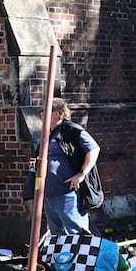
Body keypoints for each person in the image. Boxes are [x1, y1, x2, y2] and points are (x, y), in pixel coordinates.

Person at [23, 97, 100, 238]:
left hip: (66, 193)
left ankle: (80, 259)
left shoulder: (70, 129)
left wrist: (81, 174)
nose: (41, 114)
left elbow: (94, 149)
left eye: (44, 110)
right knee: (57, 234)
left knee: (76, 232)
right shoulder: (48, 134)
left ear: (56, 113)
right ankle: (62, 260)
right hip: (48, 194)